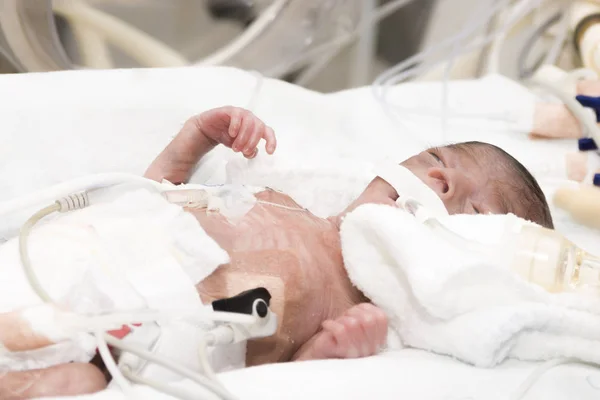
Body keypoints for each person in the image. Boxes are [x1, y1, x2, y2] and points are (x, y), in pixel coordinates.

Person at [0, 106, 553, 399]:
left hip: (121, 347)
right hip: (72, 253)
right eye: (436, 158)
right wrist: (195, 138)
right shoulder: (283, 200)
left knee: (72, 387)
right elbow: (152, 196)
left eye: (477, 210)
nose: (439, 178)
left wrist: (331, 353)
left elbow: (280, 381)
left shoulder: (353, 308)